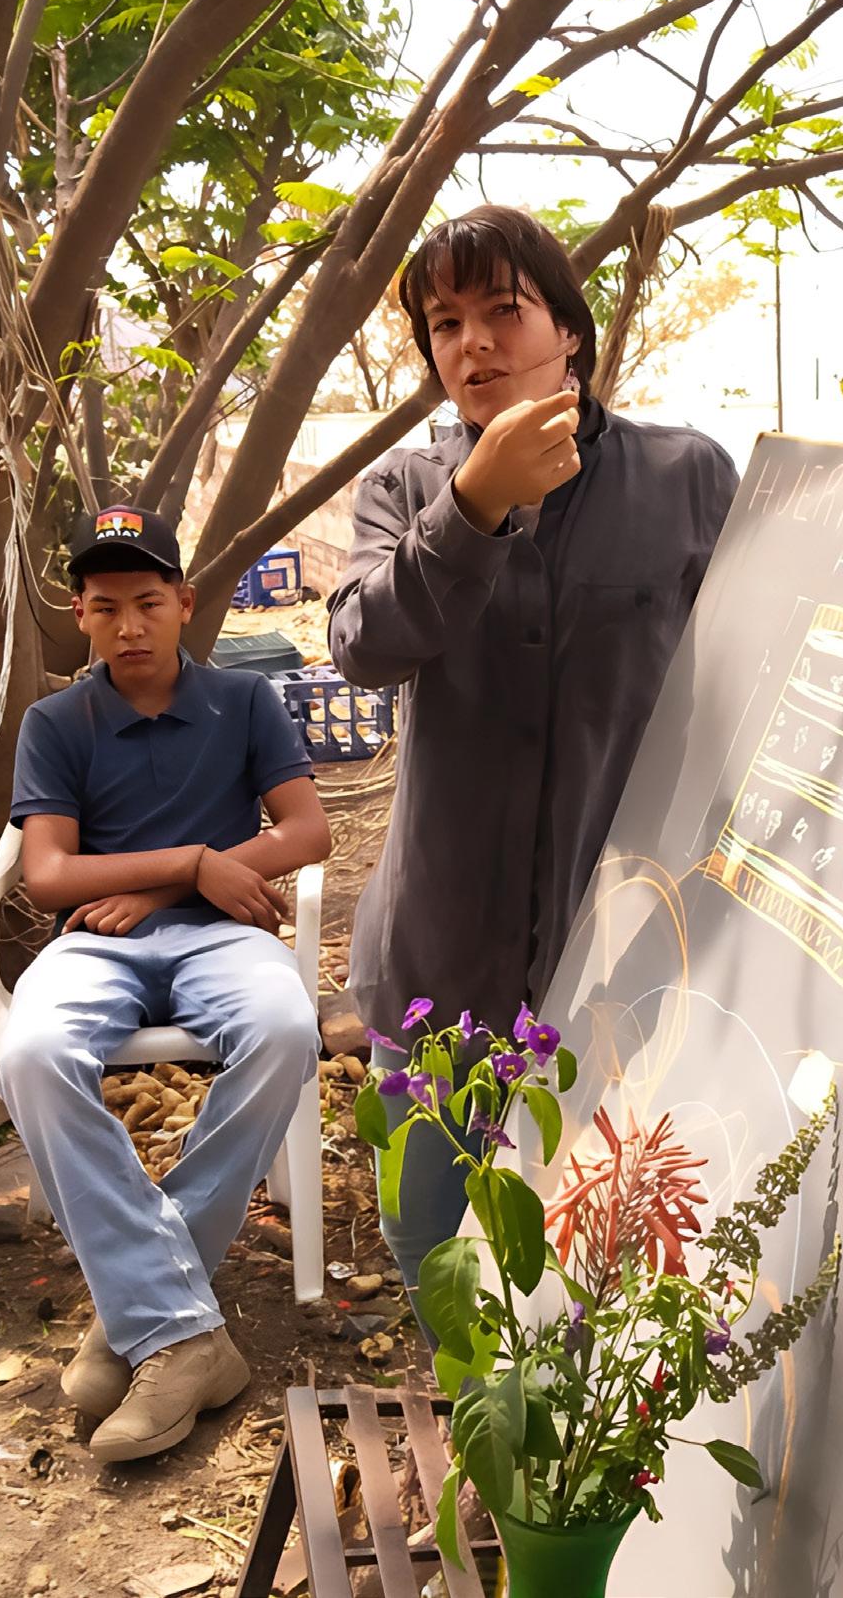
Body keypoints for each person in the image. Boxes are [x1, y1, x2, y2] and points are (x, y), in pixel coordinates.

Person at [327, 205, 739, 1306]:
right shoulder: (405, 490)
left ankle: (563, 1423)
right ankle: (475, 1415)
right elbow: (363, 646)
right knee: (432, 1235)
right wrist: (475, 506)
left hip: (626, 952)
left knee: (611, 1251)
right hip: (440, 963)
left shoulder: (686, 478)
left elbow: (754, 666)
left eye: (501, 311)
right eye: (443, 323)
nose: (471, 343)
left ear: (568, 330)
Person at [0, 505, 329, 1465]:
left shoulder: (243, 701)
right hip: (96, 942)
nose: (129, 625)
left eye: (148, 602)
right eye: (106, 608)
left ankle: (139, 1311)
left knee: (284, 1031)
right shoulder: (57, 721)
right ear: (80, 616)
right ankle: (186, 1333)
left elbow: (307, 830)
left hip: (223, 935)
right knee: (31, 1052)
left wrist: (172, 888)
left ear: (185, 602)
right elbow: (48, 874)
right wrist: (186, 862)